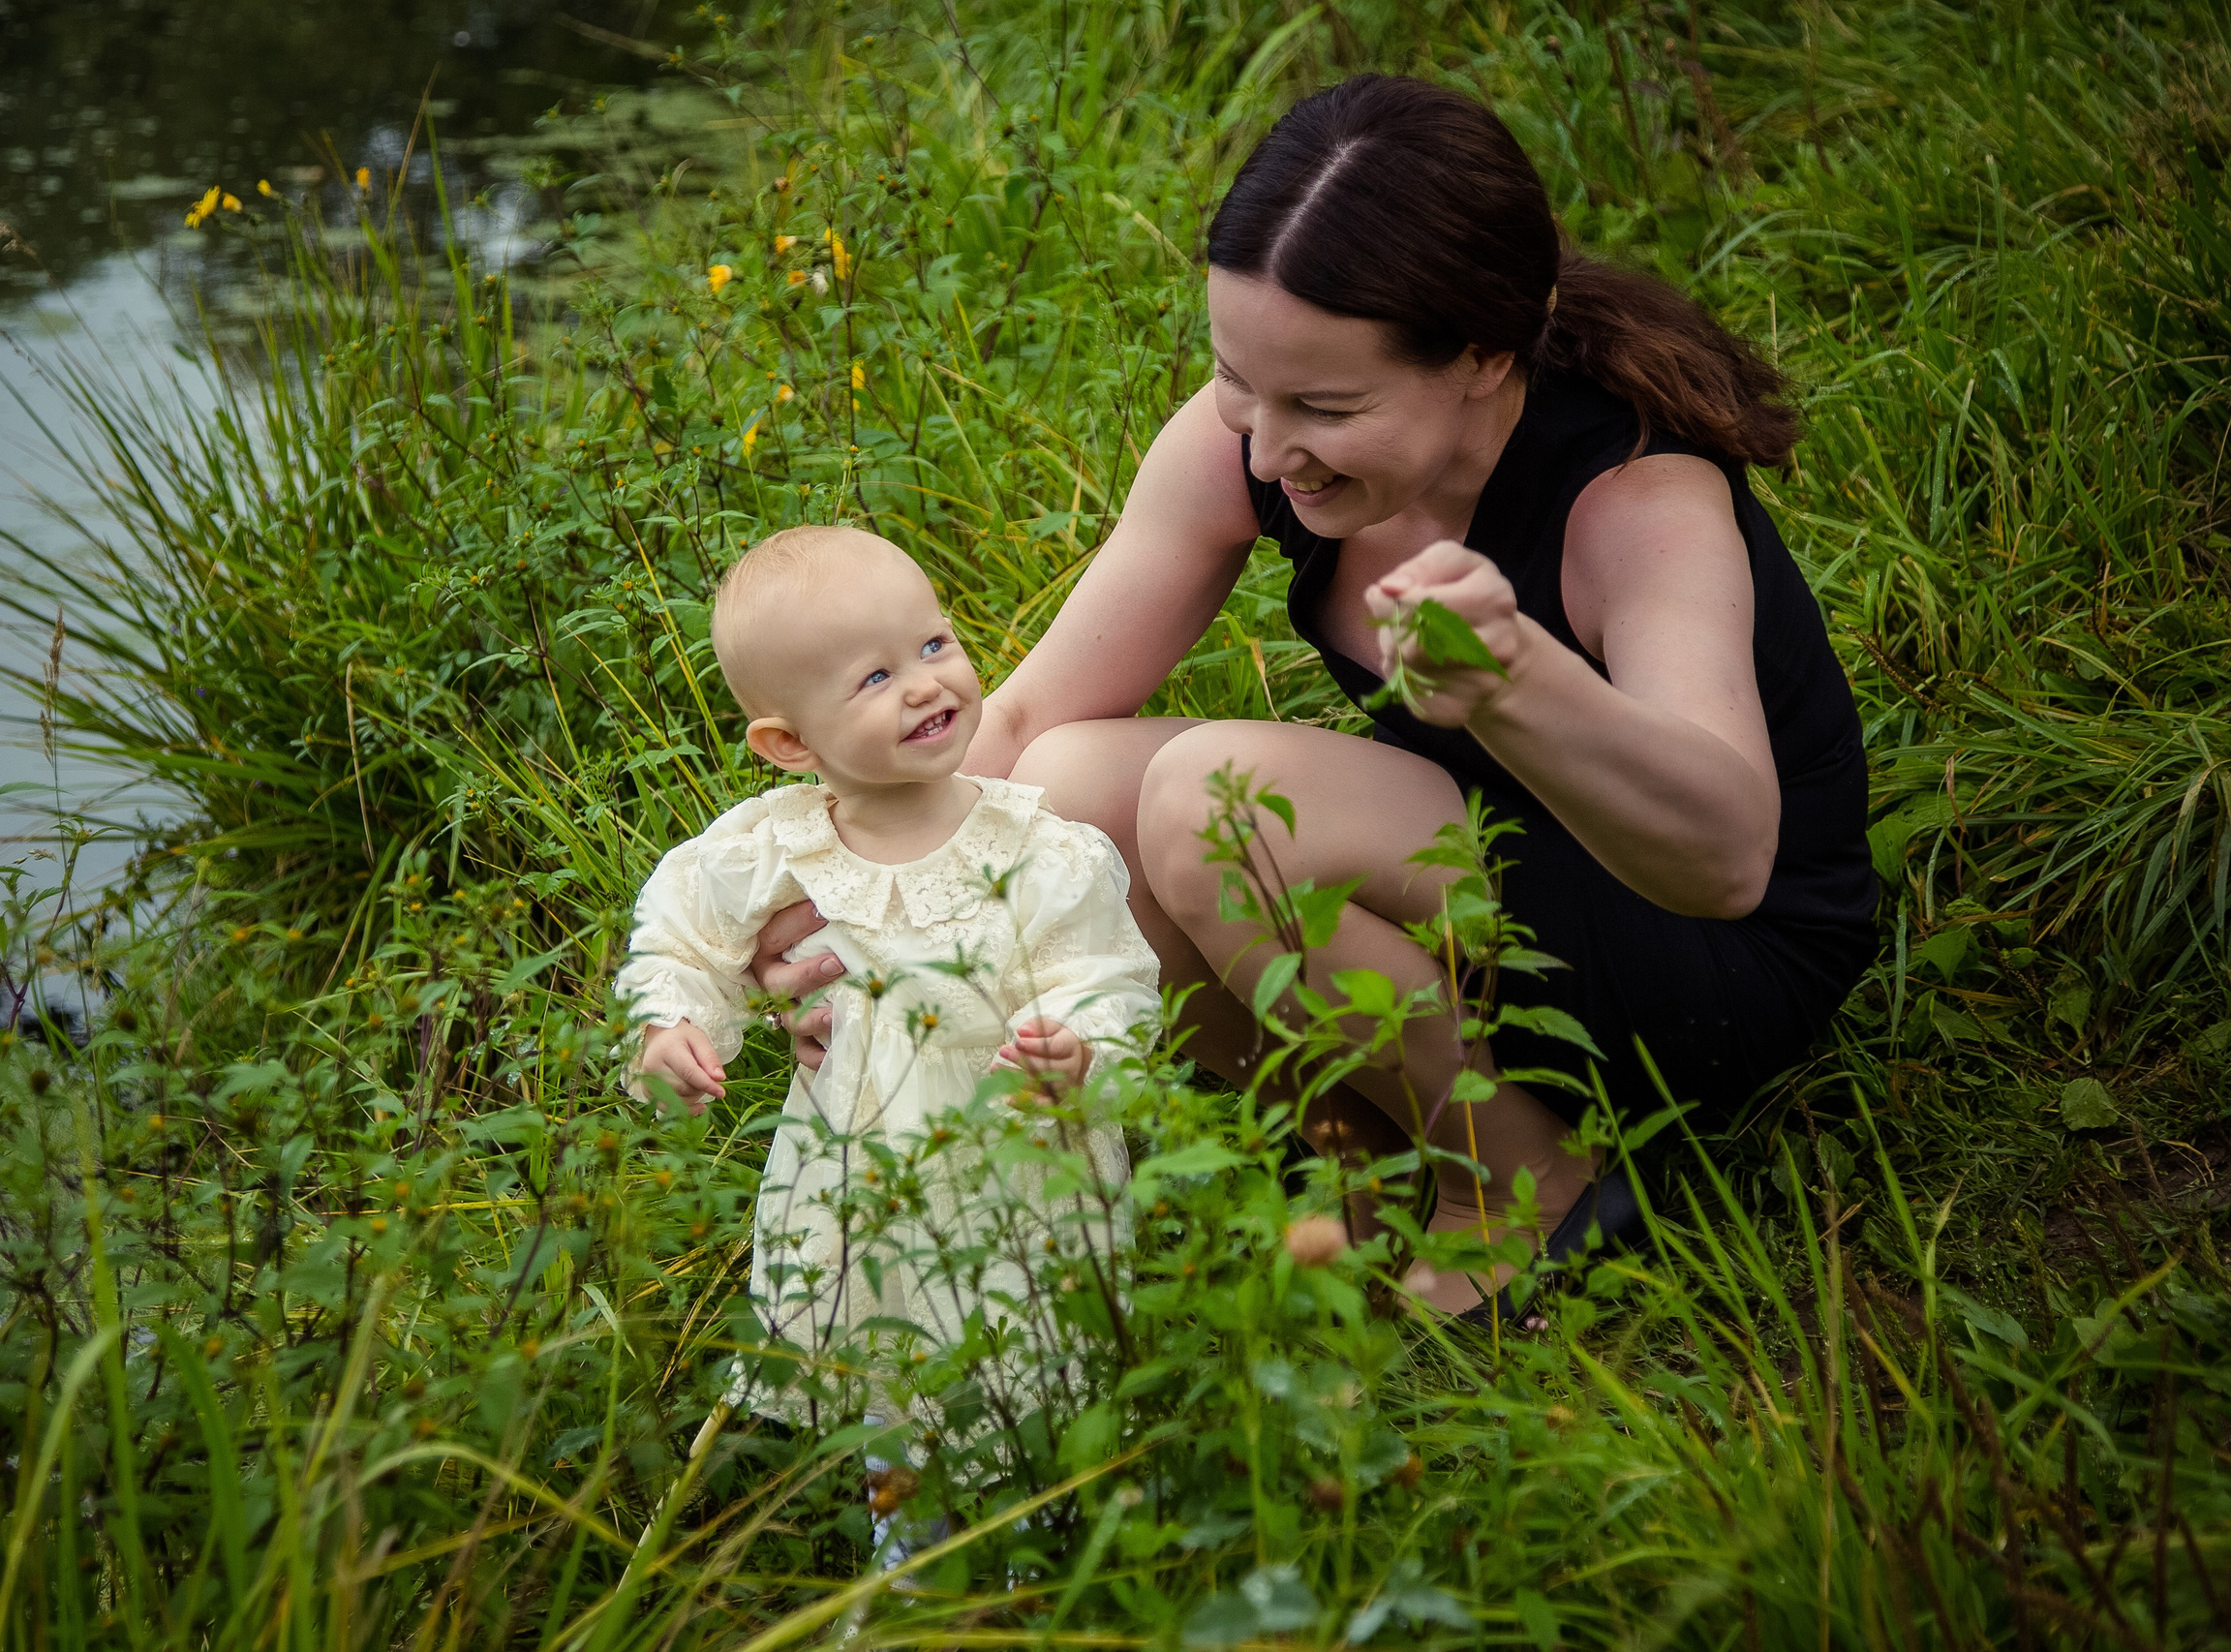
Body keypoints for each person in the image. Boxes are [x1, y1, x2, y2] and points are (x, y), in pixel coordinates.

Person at [744, 76, 1877, 1318]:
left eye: (1326, 407)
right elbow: (1014, 727)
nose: (1267, 448)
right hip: (1489, 865)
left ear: (1486, 354)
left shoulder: (1636, 504)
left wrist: (1519, 681)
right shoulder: (1257, 437)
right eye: (1239, 379)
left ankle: (1524, 1181)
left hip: (1705, 957)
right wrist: (866, 911)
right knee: (1067, 790)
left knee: (1208, 805)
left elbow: (1725, 860)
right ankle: (1369, 1161)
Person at [616, 524, 1160, 1384]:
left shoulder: (1035, 845)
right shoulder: (779, 849)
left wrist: (1074, 1037)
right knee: (886, 1357)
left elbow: (1105, 968)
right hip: (858, 1172)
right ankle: (903, 1509)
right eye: (876, 677)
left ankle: (1048, 1505)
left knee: (1034, 1352)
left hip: (1022, 1161)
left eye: (933, 644)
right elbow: (679, 935)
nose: (926, 684)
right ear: (791, 744)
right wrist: (669, 1025)